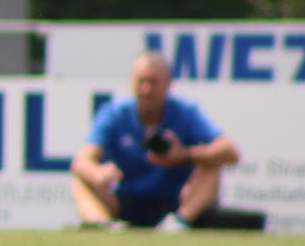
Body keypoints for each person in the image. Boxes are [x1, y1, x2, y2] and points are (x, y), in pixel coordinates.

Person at [71, 50, 240, 231]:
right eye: (141, 81)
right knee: (80, 178)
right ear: (131, 83)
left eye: (153, 82)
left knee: (212, 165)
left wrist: (183, 156)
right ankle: (102, 225)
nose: (146, 89)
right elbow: (82, 161)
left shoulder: (185, 112)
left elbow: (229, 151)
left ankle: (179, 223)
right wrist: (98, 173)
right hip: (125, 201)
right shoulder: (114, 114)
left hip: (174, 203)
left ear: (168, 84)